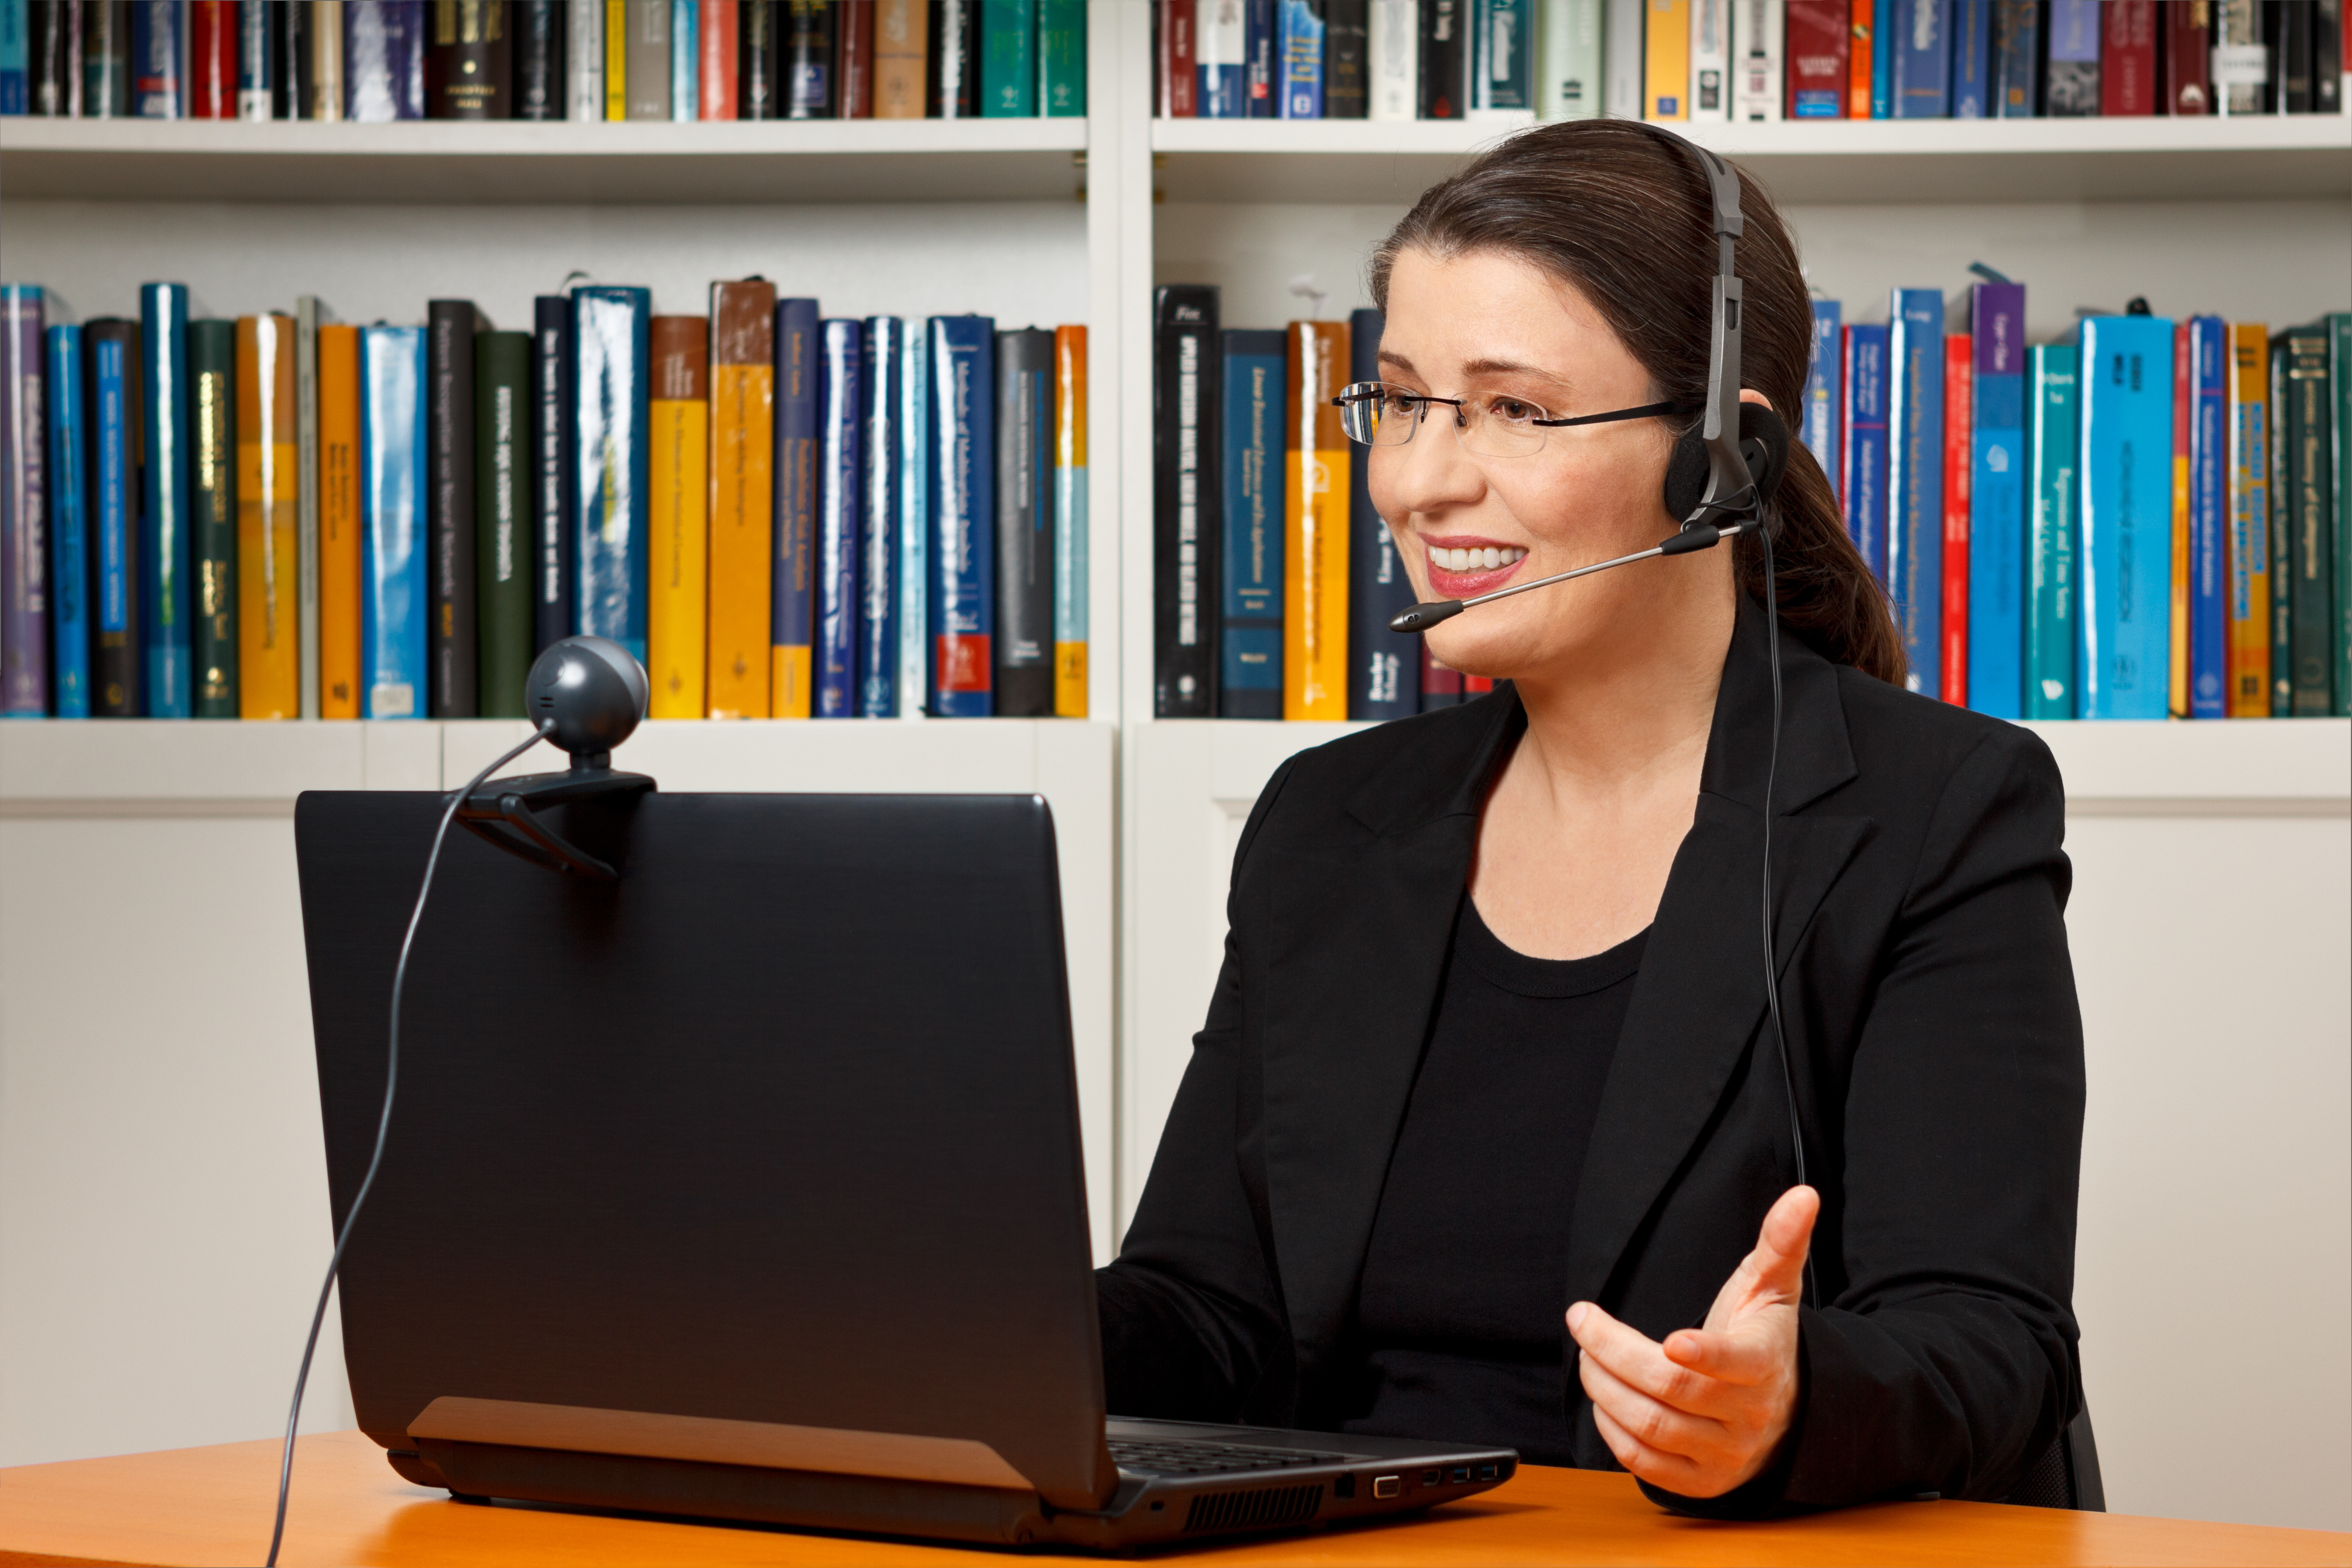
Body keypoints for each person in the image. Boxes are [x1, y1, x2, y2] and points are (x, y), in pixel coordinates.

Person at [1094, 120, 2086, 1516]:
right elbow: (1214, 1315)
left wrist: (1781, 1402)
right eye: (1401, 400)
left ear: (1720, 461)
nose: (1420, 480)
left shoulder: (1938, 811)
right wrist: (949, 1318)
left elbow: (1993, 1345)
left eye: (1514, 409)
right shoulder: (1327, 824)